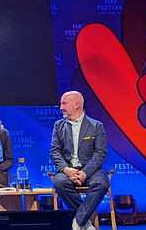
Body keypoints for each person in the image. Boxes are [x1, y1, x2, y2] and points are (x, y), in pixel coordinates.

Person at [50, 91, 108, 230]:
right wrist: (66, 169)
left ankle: (78, 221)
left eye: (64, 103)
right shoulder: (59, 126)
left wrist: (85, 173)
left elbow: (100, 153)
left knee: (102, 183)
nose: (61, 107)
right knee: (60, 183)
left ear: (77, 105)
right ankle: (84, 222)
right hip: (68, 169)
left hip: (90, 169)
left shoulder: (96, 126)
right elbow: (55, 151)